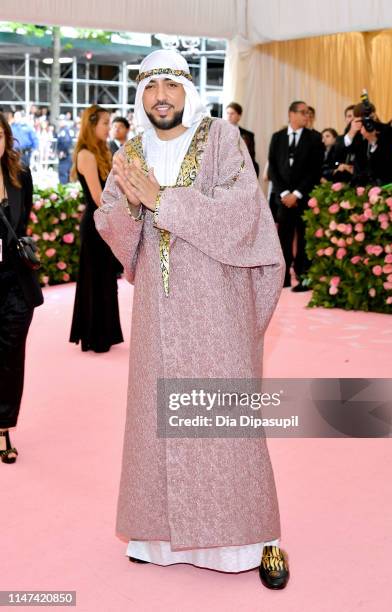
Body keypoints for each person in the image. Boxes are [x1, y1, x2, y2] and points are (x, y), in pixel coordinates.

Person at [94, 50, 289, 590]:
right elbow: (114, 223)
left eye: (172, 86)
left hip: (216, 303)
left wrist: (163, 199)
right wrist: (129, 208)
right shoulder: (129, 151)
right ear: (141, 95)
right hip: (158, 310)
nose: (162, 95)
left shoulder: (223, 141)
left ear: (188, 93)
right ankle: (154, 537)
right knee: (158, 417)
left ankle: (252, 539)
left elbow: (243, 210)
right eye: (151, 85)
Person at [0, 112, 43, 464]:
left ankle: (3, 428)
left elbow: (24, 219)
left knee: (12, 358)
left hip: (15, 283)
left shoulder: (20, 175)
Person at [69, 105, 123, 353]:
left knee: (106, 278)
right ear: (91, 125)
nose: (108, 127)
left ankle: (105, 333)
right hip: (95, 224)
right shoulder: (86, 155)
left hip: (105, 221)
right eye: (104, 123)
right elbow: (99, 197)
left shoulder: (103, 149)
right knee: (96, 278)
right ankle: (95, 335)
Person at [268, 100, 324, 291]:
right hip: (283, 199)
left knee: (303, 238)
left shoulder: (315, 138)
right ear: (291, 114)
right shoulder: (277, 137)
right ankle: (282, 278)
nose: (306, 116)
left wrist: (297, 194)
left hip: (304, 197)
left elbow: (314, 171)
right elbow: (273, 168)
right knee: (283, 238)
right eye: (302, 112)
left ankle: (303, 277)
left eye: (308, 112)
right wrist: (284, 193)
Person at [226, 102, 259, 176]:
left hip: (243, 173)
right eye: (227, 113)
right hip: (224, 174)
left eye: (232, 113)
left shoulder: (248, 135)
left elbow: (250, 157)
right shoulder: (219, 133)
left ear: (239, 116)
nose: (229, 116)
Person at [56, 115, 74, 184]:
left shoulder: (65, 131)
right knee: (66, 173)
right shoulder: (64, 130)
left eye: (61, 120)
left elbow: (66, 142)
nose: (59, 122)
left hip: (65, 155)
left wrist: (63, 152)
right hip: (66, 155)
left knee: (63, 173)